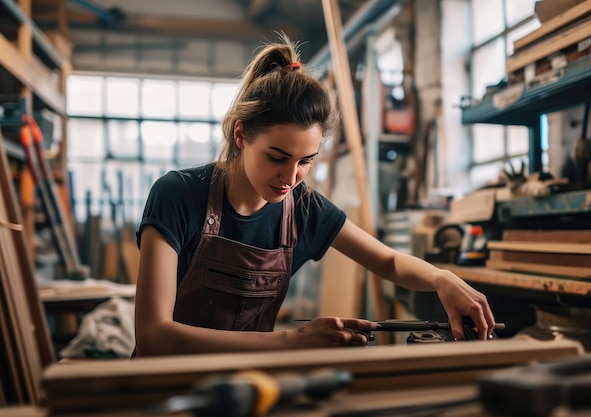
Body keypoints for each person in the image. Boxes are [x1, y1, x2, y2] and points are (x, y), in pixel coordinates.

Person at [133, 34, 496, 357]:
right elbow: (153, 336)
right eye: (277, 157)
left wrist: (440, 278)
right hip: (162, 388)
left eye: (306, 161)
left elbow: (388, 262)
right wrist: (292, 341)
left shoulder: (303, 209)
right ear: (241, 136)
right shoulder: (178, 195)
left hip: (248, 388)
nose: (290, 178)